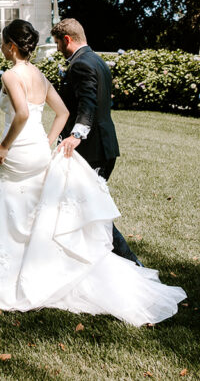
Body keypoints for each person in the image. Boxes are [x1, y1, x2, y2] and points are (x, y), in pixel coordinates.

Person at [0, 19, 185, 326]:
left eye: (3, 43)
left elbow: (23, 113)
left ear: (12, 46)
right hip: (38, 151)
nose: (1, 48)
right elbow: (64, 112)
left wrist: (4, 146)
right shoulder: (40, 76)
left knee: (6, 208)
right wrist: (47, 140)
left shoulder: (11, 74)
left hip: (17, 151)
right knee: (33, 210)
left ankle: (5, 271)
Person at [52, 18, 139, 264]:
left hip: (94, 150)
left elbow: (87, 102)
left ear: (67, 39)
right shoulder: (96, 59)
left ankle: (129, 262)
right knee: (84, 207)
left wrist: (77, 134)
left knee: (94, 210)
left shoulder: (80, 64)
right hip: (103, 146)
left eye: (58, 43)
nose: (58, 49)